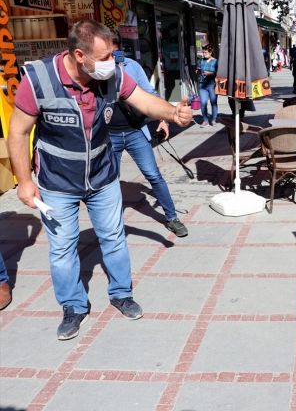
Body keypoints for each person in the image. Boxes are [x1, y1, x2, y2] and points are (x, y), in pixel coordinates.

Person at [7, 19, 193, 340]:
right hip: (56, 183)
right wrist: (24, 181)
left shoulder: (112, 76)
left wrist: (171, 113)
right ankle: (73, 306)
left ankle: (121, 293)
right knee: (63, 249)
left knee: (114, 237)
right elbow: (18, 132)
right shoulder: (38, 79)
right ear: (80, 56)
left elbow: (144, 101)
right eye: (105, 57)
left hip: (103, 176)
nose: (112, 63)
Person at [110, 32, 188, 238]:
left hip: (135, 130)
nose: (113, 56)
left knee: (153, 174)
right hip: (109, 135)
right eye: (108, 53)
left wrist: (164, 118)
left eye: (116, 52)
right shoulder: (95, 71)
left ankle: (172, 217)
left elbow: (149, 96)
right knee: (110, 181)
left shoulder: (132, 67)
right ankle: (113, 224)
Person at [196, 44, 218, 127]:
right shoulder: (201, 61)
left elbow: (219, 73)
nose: (204, 54)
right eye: (203, 52)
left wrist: (211, 73)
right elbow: (199, 70)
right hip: (202, 84)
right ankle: (205, 120)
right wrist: (197, 72)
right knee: (203, 103)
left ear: (210, 52)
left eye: (205, 52)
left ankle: (213, 119)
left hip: (212, 84)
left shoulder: (216, 61)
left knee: (213, 102)